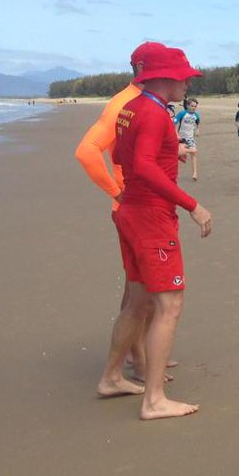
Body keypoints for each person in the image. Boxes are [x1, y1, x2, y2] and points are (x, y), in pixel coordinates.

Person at [111, 47, 213, 420]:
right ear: (162, 77)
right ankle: (154, 399)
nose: (187, 82)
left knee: (138, 300)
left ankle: (111, 376)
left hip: (130, 210)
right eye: (182, 76)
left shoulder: (131, 108)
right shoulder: (153, 113)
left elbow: (124, 158)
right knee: (169, 305)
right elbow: (143, 165)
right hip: (152, 216)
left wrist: (173, 153)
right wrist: (192, 204)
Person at [75, 41, 170, 392]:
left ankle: (138, 355)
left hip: (134, 205)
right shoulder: (124, 105)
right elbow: (86, 153)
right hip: (135, 207)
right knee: (143, 297)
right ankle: (134, 366)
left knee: (138, 292)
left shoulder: (135, 102)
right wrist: (115, 191)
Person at [174, 98, 202, 181]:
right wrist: (176, 134)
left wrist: (197, 130)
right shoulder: (182, 113)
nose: (194, 108)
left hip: (190, 138)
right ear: (187, 106)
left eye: (195, 106)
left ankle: (195, 173)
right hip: (181, 138)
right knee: (190, 152)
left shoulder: (196, 115)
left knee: (194, 153)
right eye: (192, 106)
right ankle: (179, 156)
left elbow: (197, 124)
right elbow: (173, 123)